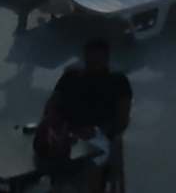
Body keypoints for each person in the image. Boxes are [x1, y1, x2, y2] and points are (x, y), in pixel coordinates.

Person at [35, 37, 131, 191]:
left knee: (93, 160)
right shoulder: (71, 77)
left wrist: (99, 131)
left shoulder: (118, 81)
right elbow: (53, 103)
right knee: (44, 154)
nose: (94, 63)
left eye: (98, 59)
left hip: (98, 135)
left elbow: (122, 119)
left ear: (106, 59)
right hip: (66, 132)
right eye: (91, 59)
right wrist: (52, 125)